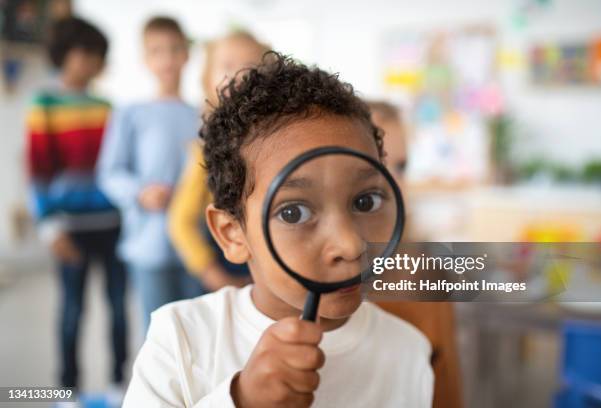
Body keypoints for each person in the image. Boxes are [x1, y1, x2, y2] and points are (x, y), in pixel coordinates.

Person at [123, 52, 433, 407]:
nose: (350, 245)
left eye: (365, 202)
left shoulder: (409, 351)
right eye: (294, 212)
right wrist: (239, 401)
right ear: (231, 234)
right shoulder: (181, 339)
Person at [25, 16, 126, 404]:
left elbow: (116, 168)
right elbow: (37, 169)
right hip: (70, 227)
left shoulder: (107, 106)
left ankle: (119, 383)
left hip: (113, 224)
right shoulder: (44, 103)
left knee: (118, 310)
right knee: (71, 314)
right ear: (64, 54)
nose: (89, 62)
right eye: (83, 53)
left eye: (96, 55)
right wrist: (50, 227)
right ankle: (68, 391)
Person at [97, 16, 203, 333]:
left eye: (174, 49)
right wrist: (140, 193)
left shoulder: (202, 114)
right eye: (157, 51)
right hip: (150, 244)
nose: (167, 59)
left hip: (198, 245)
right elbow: (110, 173)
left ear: (186, 54)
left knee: (199, 332)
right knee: (159, 335)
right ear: (146, 59)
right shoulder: (131, 113)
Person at [367, 101, 463, 408]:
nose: (395, 181)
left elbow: (446, 387)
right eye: (378, 164)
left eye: (402, 166)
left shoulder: (426, 271)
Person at [168, 31, 268, 291]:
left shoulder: (276, 143)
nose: (242, 75)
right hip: (225, 273)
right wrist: (210, 272)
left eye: (254, 66)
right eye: (227, 66)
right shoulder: (205, 151)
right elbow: (181, 221)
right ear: (206, 80)